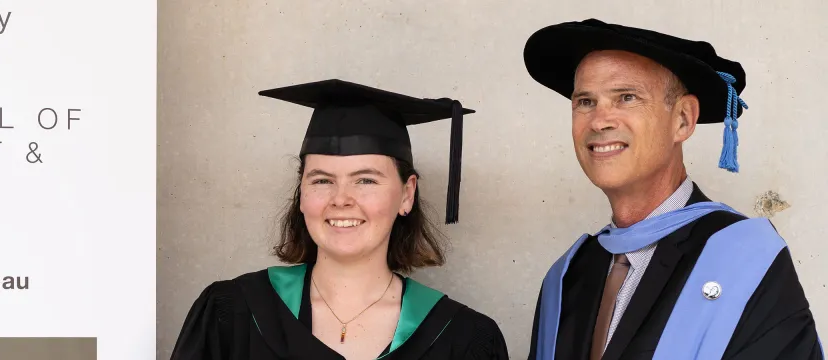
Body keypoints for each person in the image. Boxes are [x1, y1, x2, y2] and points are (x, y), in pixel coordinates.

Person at [522, 19, 822, 359]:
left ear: (683, 119)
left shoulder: (745, 260)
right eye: (586, 102)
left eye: (626, 97)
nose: (600, 120)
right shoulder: (567, 276)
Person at [169, 79, 509, 360]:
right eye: (322, 180)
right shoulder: (232, 315)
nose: (341, 199)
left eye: (366, 180)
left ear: (407, 195)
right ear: (302, 194)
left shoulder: (463, 339)